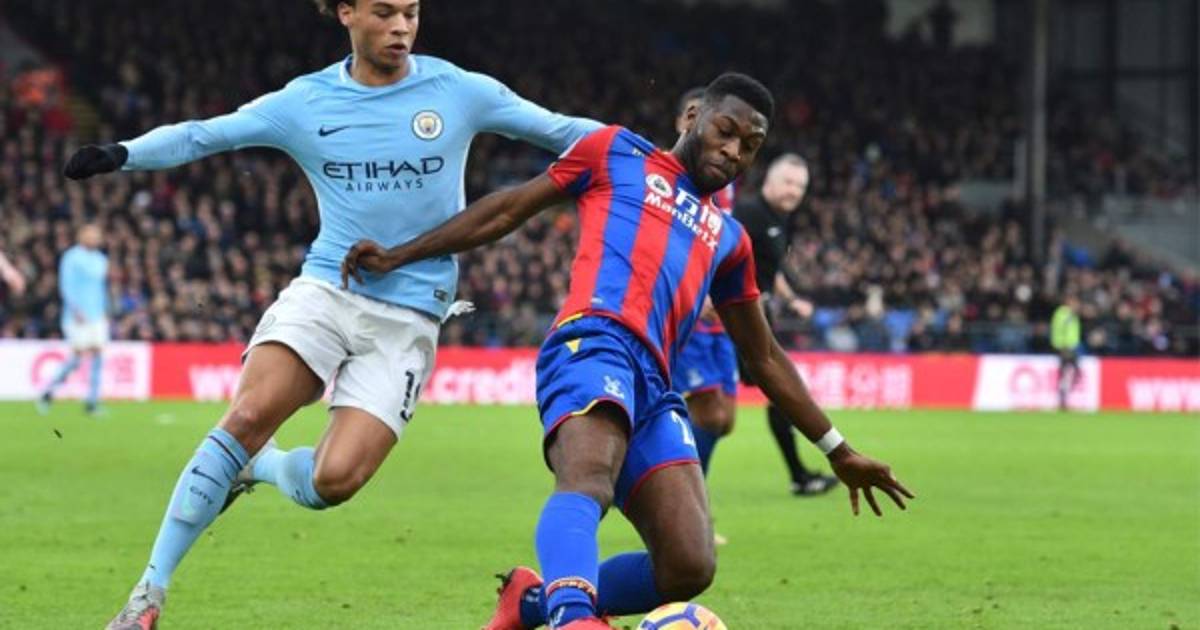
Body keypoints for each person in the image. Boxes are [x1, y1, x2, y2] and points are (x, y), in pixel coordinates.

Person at [63, 1, 600, 628]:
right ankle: (146, 598)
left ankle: (260, 466)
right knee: (249, 414)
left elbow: (563, 130)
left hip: (410, 319)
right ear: (346, 12)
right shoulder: (306, 102)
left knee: (333, 482)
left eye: (411, 13)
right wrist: (122, 153)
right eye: (384, 12)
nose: (401, 27)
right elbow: (205, 134)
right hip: (327, 289)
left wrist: (657, 157)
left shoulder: (459, 91)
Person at [342, 72, 913, 630]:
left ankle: (531, 604)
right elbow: (509, 208)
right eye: (725, 131)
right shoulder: (615, 152)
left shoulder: (730, 239)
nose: (734, 151)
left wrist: (838, 450)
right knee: (588, 478)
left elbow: (764, 357)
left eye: (750, 145)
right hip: (592, 342)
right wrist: (400, 254)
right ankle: (573, 619)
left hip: (656, 383)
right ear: (694, 117)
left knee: (689, 564)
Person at [733, 153, 840, 496]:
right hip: (733, 315)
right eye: (788, 182)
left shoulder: (781, 220)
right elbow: (717, 253)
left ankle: (799, 476)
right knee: (717, 406)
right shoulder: (747, 213)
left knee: (778, 393)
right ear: (770, 181)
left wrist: (791, 299)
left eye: (800, 186)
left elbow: (771, 268)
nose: (794, 191)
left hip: (757, 314)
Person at [668, 88, 738, 482]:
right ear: (685, 121)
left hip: (719, 316)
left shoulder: (723, 181)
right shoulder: (668, 176)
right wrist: (699, 287)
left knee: (725, 419)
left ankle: (683, 495)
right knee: (708, 411)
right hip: (691, 310)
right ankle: (686, 502)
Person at [36, 223, 108, 416]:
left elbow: (100, 288)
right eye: (91, 235)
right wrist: (75, 308)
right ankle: (47, 392)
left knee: (98, 355)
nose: (95, 238)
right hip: (77, 316)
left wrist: (104, 310)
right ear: (81, 236)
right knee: (76, 359)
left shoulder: (101, 259)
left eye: (97, 235)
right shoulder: (72, 257)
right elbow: (65, 285)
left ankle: (92, 402)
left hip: (97, 314)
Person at [1051, 295, 1082, 411]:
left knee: (1072, 373)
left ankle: (1064, 399)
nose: (1077, 305)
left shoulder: (1071, 314)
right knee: (1067, 373)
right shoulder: (1063, 314)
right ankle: (1062, 400)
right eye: (1075, 302)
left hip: (1072, 347)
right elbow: (1058, 330)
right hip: (1065, 348)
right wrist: (1060, 346)